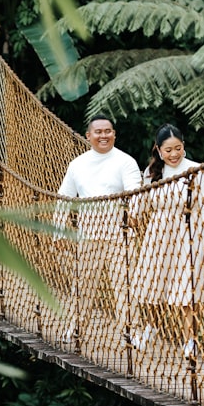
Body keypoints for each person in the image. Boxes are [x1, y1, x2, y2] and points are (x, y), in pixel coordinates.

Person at [54, 115, 142, 347]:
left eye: (108, 131)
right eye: (98, 132)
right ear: (88, 136)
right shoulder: (77, 164)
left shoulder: (126, 161)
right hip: (87, 235)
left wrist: (134, 212)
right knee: (82, 285)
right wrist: (58, 232)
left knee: (126, 285)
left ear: (114, 134)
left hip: (119, 235)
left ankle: (131, 332)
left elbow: (135, 191)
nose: (104, 135)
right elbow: (64, 198)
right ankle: (75, 328)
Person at [132, 124, 204, 359]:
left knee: (187, 290)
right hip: (157, 234)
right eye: (168, 150)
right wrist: (133, 216)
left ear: (184, 147)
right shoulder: (151, 172)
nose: (174, 154)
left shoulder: (197, 170)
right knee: (151, 285)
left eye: (178, 148)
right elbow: (140, 201)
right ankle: (152, 327)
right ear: (158, 150)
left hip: (188, 235)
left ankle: (191, 341)